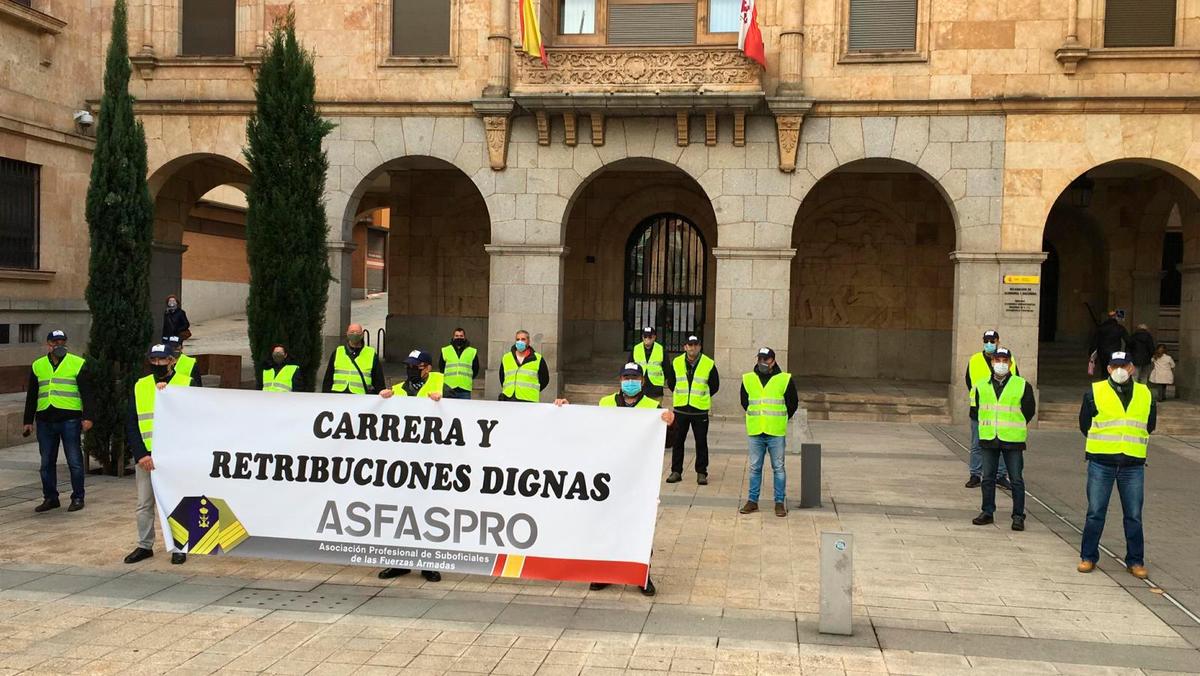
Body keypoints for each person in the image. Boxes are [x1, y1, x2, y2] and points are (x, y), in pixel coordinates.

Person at [588, 362, 674, 596]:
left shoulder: (652, 407)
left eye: (634, 377)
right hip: (608, 476)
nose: (630, 381)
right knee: (606, 524)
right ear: (620, 380)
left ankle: (641, 575)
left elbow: (666, 443)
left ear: (642, 381)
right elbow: (587, 429)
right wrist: (562, 409)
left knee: (640, 527)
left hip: (639, 479)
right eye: (626, 377)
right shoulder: (605, 403)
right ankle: (603, 572)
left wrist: (670, 424)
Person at [1077, 351, 1155, 579]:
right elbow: (1085, 424)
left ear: (1131, 368)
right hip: (1102, 462)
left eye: (1125, 365)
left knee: (1133, 515)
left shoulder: (1144, 393)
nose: (1120, 370)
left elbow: (1150, 424)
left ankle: (1135, 561)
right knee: (1095, 512)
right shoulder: (1094, 392)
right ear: (1109, 368)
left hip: (1133, 464)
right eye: (1115, 366)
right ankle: (1088, 556)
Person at [124, 344, 202, 565]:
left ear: (173, 360)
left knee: (176, 503)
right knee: (144, 504)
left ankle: (179, 546)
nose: (158, 364)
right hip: (147, 458)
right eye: (154, 360)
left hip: (175, 457)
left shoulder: (186, 384)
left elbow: (196, 422)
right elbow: (131, 422)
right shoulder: (140, 386)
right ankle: (144, 545)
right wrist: (141, 455)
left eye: (163, 360)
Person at [378, 350, 445, 582]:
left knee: (427, 513)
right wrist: (380, 399)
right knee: (399, 512)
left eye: (415, 365)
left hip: (429, 460)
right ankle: (399, 562)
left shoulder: (440, 383)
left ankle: (428, 564)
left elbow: (459, 414)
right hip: (402, 461)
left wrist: (443, 402)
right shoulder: (397, 389)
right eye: (409, 365)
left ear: (426, 367)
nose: (410, 369)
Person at [23, 329, 93, 513]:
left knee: (74, 461)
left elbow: (88, 393)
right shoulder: (38, 365)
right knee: (46, 462)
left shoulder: (77, 363)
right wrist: (27, 420)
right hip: (45, 419)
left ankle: (78, 497)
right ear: (48, 344)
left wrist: (88, 417)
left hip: (69, 419)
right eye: (55, 342)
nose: (58, 345)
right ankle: (50, 498)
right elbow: (32, 395)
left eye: (62, 342)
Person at [969, 348, 1036, 531]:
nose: (1001, 363)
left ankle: (1018, 515)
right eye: (997, 359)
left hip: (1012, 439)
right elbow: (976, 410)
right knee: (988, 478)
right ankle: (987, 512)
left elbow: (1029, 410)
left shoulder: (1022, 384)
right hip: (989, 437)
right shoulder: (981, 385)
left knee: (1016, 479)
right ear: (992, 362)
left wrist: (1015, 424)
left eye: (1004, 360)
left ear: (1010, 363)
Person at [738, 348, 799, 518]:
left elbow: (792, 403)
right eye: (760, 359)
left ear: (773, 360)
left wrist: (781, 419)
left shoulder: (784, 379)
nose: (763, 362)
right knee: (754, 468)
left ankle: (779, 502)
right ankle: (752, 501)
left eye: (766, 359)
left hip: (776, 431)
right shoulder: (748, 378)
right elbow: (744, 401)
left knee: (778, 468)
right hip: (756, 430)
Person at [964, 330, 1018, 489]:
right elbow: (969, 381)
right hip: (979, 409)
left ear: (998, 341)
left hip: (1001, 411)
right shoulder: (974, 360)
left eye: (992, 341)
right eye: (986, 341)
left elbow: (1015, 380)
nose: (989, 344)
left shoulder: (1008, 360)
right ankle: (975, 474)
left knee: (1002, 443)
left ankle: (1000, 475)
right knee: (977, 443)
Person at [664, 334, 718, 486]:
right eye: (689, 344)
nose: (692, 347)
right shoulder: (677, 362)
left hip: (699, 410)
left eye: (695, 344)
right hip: (681, 409)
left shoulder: (708, 363)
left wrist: (700, 396)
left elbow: (714, 385)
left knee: (701, 442)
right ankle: (676, 471)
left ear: (699, 346)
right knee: (677, 441)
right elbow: (672, 382)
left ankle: (701, 473)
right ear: (685, 347)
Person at [322, 323, 386, 394]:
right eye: (352, 332)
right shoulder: (338, 352)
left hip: (360, 398)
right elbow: (328, 380)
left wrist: (381, 393)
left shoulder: (371, 353)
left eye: (357, 332)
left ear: (362, 335)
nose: (355, 334)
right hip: (337, 397)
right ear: (347, 334)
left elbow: (379, 382)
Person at [498, 329, 549, 402]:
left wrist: (532, 390)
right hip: (508, 398)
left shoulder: (538, 358)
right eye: (517, 339)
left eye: (523, 339)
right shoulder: (506, 357)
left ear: (528, 341)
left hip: (528, 400)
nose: (520, 342)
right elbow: (502, 377)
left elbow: (545, 379)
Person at [439, 328, 479, 400]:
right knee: (448, 410)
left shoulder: (472, 351)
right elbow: (441, 367)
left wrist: (468, 377)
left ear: (464, 337)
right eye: (457, 336)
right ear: (453, 337)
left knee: (464, 410)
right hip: (449, 388)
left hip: (465, 389)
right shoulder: (445, 350)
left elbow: (476, 368)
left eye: (461, 336)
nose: (459, 338)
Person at [1090, 310, 1129, 377]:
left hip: (1102, 352)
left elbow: (1095, 341)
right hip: (1115, 352)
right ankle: (1112, 384)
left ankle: (1104, 383)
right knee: (1113, 370)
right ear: (1116, 318)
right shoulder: (1119, 328)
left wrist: (1091, 353)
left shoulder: (1101, 327)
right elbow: (1128, 340)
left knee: (1104, 370)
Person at [630, 326, 666, 398]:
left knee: (656, 408)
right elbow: (630, 366)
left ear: (654, 337)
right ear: (642, 337)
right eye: (645, 336)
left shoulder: (660, 349)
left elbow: (666, 368)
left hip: (656, 388)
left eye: (650, 337)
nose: (647, 339)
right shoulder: (636, 348)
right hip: (639, 387)